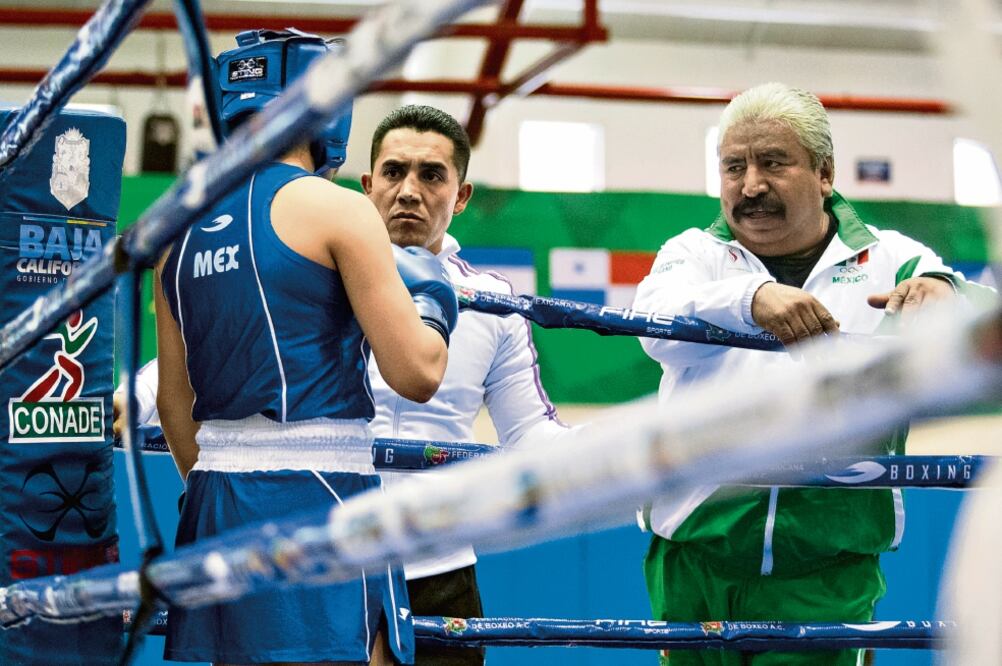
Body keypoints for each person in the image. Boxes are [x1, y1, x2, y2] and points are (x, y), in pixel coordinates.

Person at [633, 82, 981, 666]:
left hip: (828, 573)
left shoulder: (895, 259)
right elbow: (653, 324)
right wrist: (752, 298)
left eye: (773, 163)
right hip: (694, 563)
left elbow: (982, 314)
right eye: (734, 167)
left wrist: (946, 291)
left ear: (825, 173)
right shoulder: (692, 254)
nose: (751, 185)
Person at [155, 30, 457, 666]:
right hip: (320, 493)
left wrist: (228, 479)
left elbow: (173, 403)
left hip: (213, 500)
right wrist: (433, 297)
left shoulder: (174, 231)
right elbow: (417, 372)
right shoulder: (335, 208)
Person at [361, 105, 568, 666]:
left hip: (442, 567)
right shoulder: (316, 283)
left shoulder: (492, 303)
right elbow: (201, 366)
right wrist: (141, 398)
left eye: (431, 175)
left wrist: (633, 451)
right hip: (333, 558)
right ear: (367, 185)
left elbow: (529, 431)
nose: (409, 191)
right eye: (393, 172)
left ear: (461, 196)